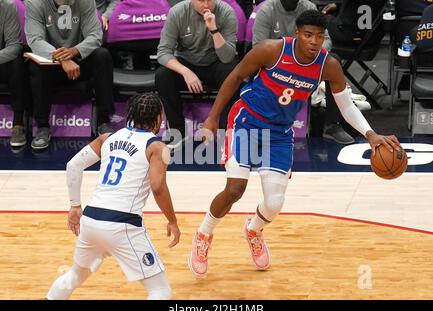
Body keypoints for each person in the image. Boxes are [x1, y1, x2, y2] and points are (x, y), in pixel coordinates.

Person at [188, 10, 401, 277]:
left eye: (320, 36)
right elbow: (234, 77)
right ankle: (203, 234)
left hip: (279, 133)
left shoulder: (328, 65)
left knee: (275, 202)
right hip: (248, 121)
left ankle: (253, 229)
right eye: (309, 35)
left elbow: (346, 105)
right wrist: (211, 118)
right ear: (297, 34)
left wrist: (371, 135)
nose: (314, 41)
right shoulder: (271, 50)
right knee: (235, 189)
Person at [46, 92, 181, 300]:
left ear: (131, 114)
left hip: (90, 221)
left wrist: (75, 206)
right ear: (158, 119)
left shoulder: (107, 137)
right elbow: (158, 187)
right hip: (122, 224)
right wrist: (172, 220)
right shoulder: (157, 147)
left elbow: (73, 165)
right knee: (160, 290)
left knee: (73, 277)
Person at [252, 0, 354, 144]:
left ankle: (332, 125)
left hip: (306, 64)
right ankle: (257, 123)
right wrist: (290, 56)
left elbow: (325, 40)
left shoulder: (309, 8)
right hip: (276, 69)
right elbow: (258, 47)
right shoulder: (266, 11)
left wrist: (309, 54)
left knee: (333, 61)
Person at [25, 0, 115, 150]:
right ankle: (42, 126)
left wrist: (73, 52)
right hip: (50, 62)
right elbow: (35, 40)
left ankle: (104, 121)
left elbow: (95, 36)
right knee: (35, 65)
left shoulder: (85, 2)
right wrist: (62, 59)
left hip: (79, 60)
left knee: (102, 55)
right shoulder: (35, 3)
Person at [156, 0, 239, 150]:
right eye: (201, 0)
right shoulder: (177, 12)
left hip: (216, 63)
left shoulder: (226, 12)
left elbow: (227, 57)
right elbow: (163, 52)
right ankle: (178, 132)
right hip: (187, 63)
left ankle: (225, 134)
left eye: (210, 0)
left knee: (232, 72)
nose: (206, 4)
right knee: (162, 75)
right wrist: (186, 72)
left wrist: (214, 30)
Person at [0, 0, 31, 147]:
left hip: (2, 63)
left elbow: (14, 46)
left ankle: (18, 123)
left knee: (17, 62)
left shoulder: (7, 6)